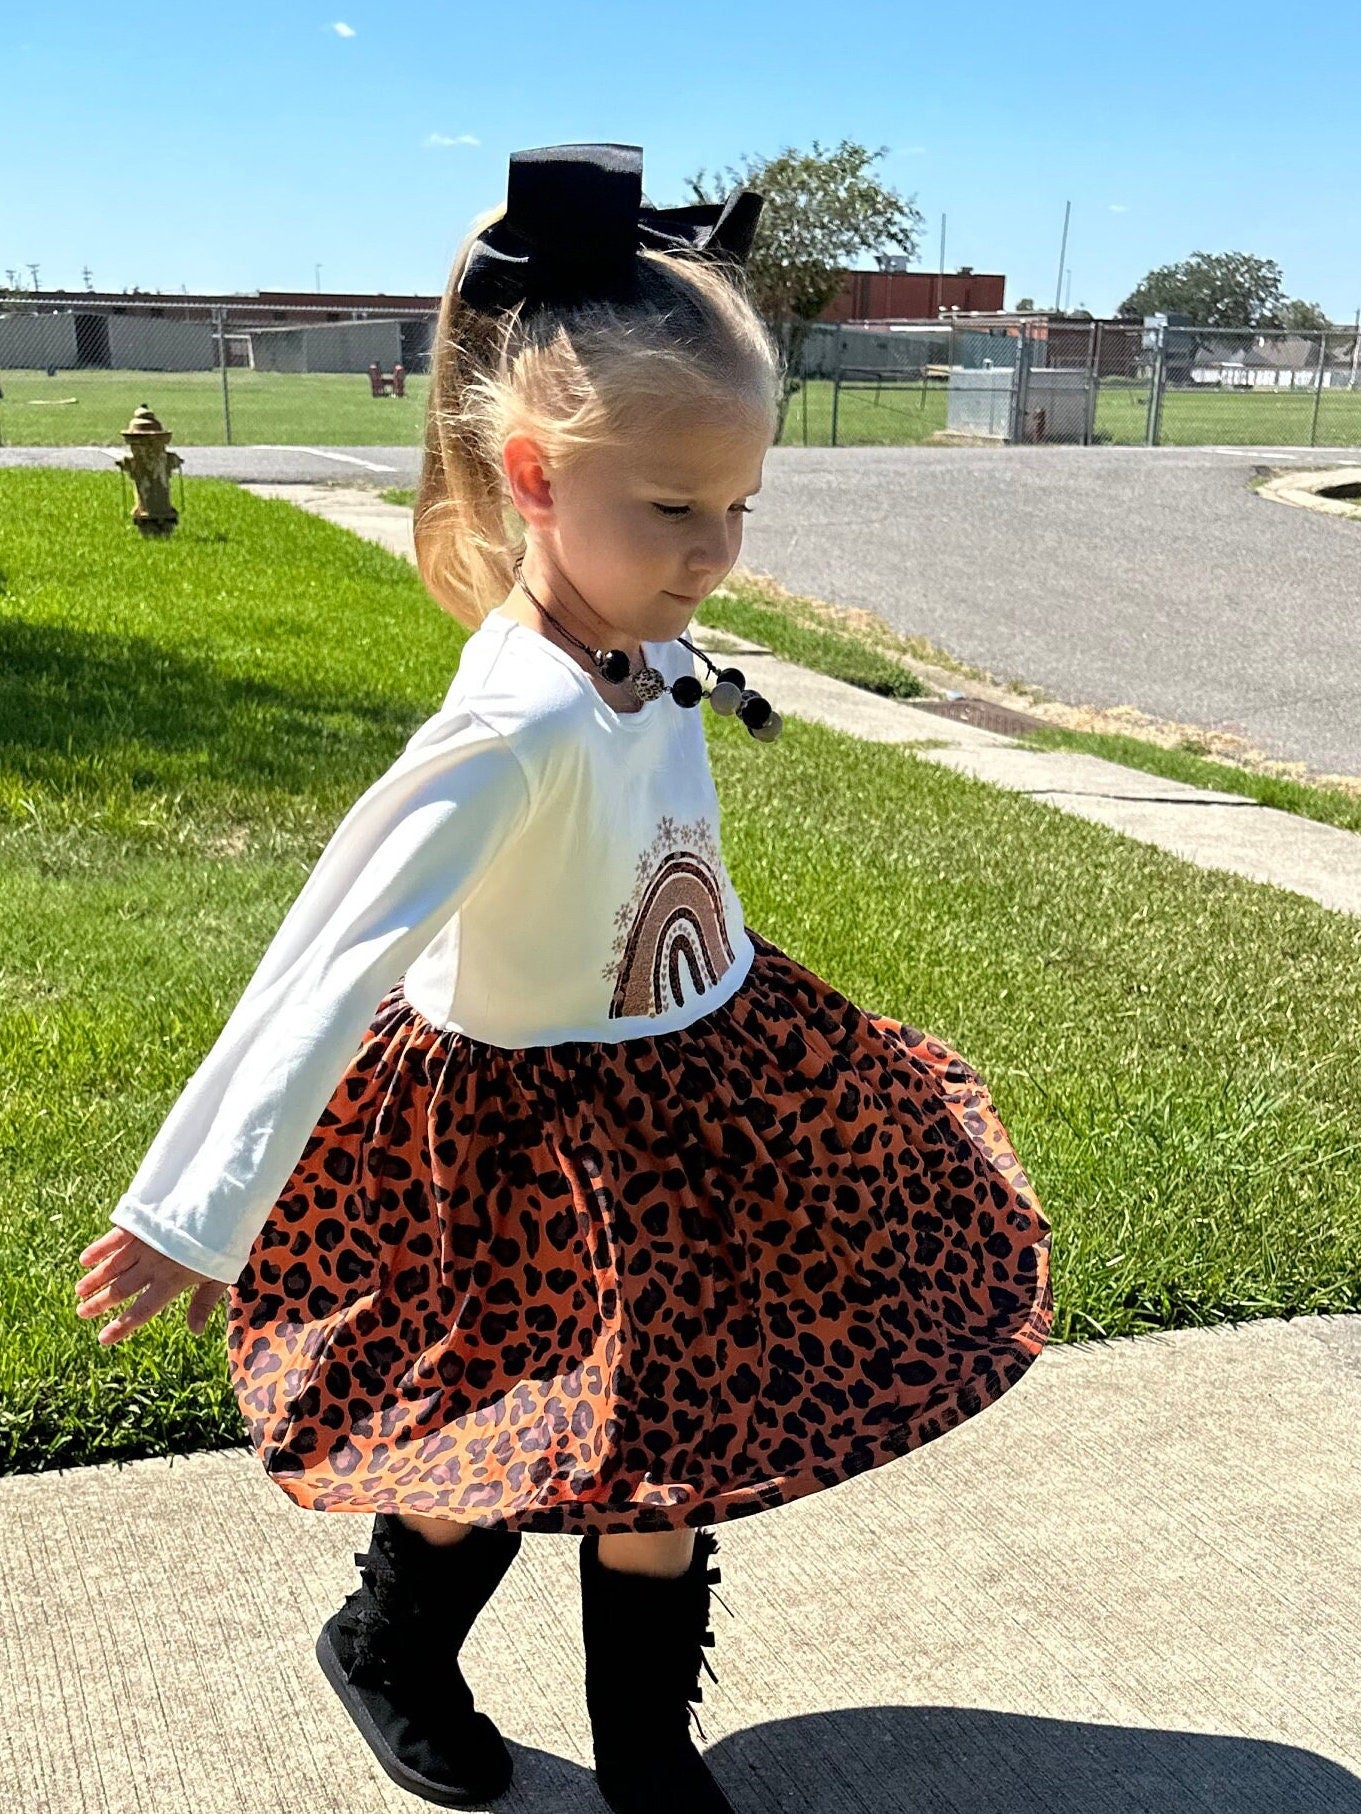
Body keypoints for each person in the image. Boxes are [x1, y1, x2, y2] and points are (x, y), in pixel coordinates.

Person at [73, 143, 1053, 1814]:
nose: (714, 552)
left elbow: (662, 810)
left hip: (689, 1098)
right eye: (675, 510)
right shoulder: (504, 723)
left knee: (663, 1461)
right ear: (531, 473)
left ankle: (642, 1751)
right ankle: (390, 1640)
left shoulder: (640, 633)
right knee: (475, 1453)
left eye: (738, 506)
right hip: (515, 1144)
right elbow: (327, 952)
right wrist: (194, 1207)